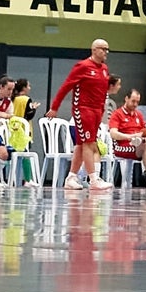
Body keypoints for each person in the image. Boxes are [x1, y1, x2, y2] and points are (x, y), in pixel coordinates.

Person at [48, 39, 115, 191]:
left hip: (97, 110)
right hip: (83, 109)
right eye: (103, 49)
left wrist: (102, 111)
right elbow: (65, 87)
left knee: (80, 144)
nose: (106, 52)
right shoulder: (82, 66)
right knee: (89, 143)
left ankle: (71, 177)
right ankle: (93, 179)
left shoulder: (104, 69)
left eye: (107, 49)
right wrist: (54, 107)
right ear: (94, 50)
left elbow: (102, 92)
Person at [108, 89, 146, 190]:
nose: (135, 104)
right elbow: (113, 134)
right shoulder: (117, 114)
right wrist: (129, 137)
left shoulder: (138, 115)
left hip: (140, 142)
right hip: (124, 146)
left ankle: (145, 140)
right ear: (126, 99)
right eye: (133, 101)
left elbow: (142, 130)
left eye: (137, 102)